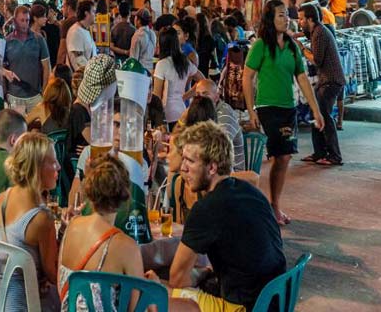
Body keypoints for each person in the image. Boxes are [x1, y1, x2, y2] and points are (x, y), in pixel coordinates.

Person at [156, 121, 286, 312]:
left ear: (212, 168)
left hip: (244, 307)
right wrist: (203, 274)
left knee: (156, 297)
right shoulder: (250, 191)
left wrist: (159, 283)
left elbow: (178, 279)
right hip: (274, 300)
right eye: (183, 159)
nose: (183, 168)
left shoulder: (207, 208)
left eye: (190, 161)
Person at [243, 0, 324, 226]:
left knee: (285, 157)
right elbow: (246, 77)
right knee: (276, 156)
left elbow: (301, 77)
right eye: (280, 15)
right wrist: (251, 111)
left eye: (286, 14)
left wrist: (316, 110)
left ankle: (274, 205)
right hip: (267, 108)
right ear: (270, 19)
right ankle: (268, 207)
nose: (286, 18)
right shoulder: (260, 46)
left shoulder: (290, 45)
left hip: (288, 108)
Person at [0, 131, 61, 312]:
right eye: (53, 161)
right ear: (37, 167)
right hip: (16, 303)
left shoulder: (1, 198)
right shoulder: (41, 219)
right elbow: (54, 274)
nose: (58, 167)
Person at [57, 156, 146, 311]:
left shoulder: (71, 227)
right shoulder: (127, 247)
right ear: (125, 194)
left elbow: (61, 285)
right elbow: (137, 308)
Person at [299, 4, 344, 166]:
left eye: (302, 19)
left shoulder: (319, 33)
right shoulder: (317, 31)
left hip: (330, 81)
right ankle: (319, 152)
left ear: (310, 19)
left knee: (324, 116)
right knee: (315, 115)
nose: (300, 22)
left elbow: (317, 60)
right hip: (325, 81)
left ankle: (334, 156)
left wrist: (302, 49)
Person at [3, 5, 51, 113]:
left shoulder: (39, 39)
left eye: (27, 20)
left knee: (37, 128)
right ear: (15, 21)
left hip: (35, 96)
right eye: (22, 20)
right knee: (17, 129)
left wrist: (44, 92)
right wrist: (5, 92)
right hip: (14, 96)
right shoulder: (7, 41)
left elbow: (46, 67)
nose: (25, 24)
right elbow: (3, 69)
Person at [153, 28, 203, 130]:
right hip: (182, 111)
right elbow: (203, 81)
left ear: (163, 44)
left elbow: (157, 96)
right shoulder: (185, 62)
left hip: (166, 115)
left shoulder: (162, 64)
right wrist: (185, 97)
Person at [194, 79, 245, 172]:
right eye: (197, 95)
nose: (200, 98)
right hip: (209, 164)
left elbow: (218, 149)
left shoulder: (225, 114)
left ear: (216, 97)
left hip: (229, 171)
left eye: (205, 94)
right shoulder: (200, 111)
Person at [67, 0, 97, 72]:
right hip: (81, 77)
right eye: (93, 12)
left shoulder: (84, 30)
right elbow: (78, 60)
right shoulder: (75, 32)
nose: (95, 15)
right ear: (86, 13)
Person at [130, 8, 156, 74]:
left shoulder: (137, 35)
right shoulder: (152, 33)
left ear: (139, 20)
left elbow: (133, 59)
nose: (134, 20)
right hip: (151, 70)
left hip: (140, 71)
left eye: (135, 18)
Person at [56, 0, 79, 66]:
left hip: (69, 61)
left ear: (68, 7)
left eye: (63, 6)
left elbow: (62, 49)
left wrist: (58, 66)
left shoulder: (67, 23)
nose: (62, 9)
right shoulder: (80, 21)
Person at [195, 13, 216, 78]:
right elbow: (213, 54)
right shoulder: (209, 38)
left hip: (196, 66)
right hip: (206, 65)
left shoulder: (194, 37)